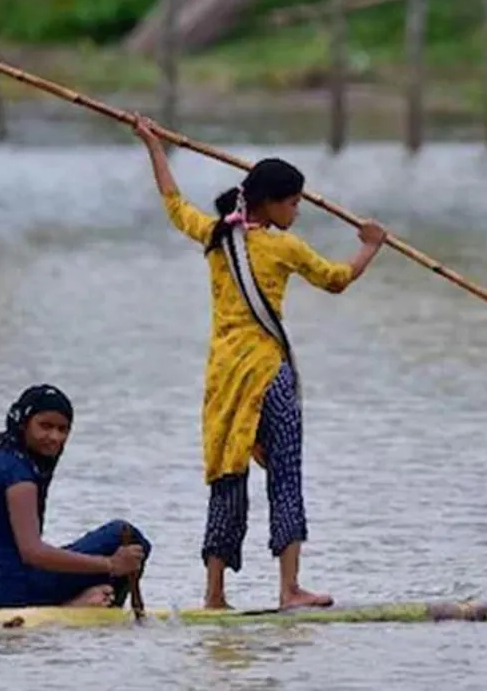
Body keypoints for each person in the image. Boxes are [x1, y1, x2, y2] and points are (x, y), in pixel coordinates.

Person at [130, 114, 387, 611]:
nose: (297, 210)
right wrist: (370, 246)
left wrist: (154, 147)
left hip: (224, 377)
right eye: (292, 203)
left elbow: (174, 205)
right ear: (270, 203)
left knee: (228, 476)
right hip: (269, 374)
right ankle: (290, 589)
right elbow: (336, 279)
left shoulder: (216, 237)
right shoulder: (283, 245)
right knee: (285, 473)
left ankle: (214, 594)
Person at [0, 383, 151, 611]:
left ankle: (78, 604)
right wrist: (111, 564)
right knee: (126, 536)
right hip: (4, 594)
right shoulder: (18, 473)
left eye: (63, 429)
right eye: (44, 426)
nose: (54, 437)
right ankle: (81, 610)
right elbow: (32, 552)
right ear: (24, 424)